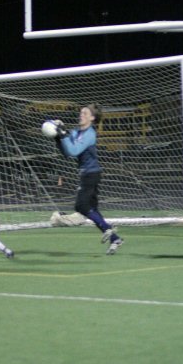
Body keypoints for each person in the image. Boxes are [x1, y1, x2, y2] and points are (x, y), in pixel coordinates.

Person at [54, 104, 123, 254]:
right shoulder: (76, 132)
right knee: (93, 210)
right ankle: (115, 238)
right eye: (81, 112)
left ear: (92, 118)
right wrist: (58, 137)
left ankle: (108, 229)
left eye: (85, 113)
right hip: (87, 174)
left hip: (91, 174)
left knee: (81, 206)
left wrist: (63, 134)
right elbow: (67, 152)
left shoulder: (90, 134)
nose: (81, 115)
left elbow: (74, 150)